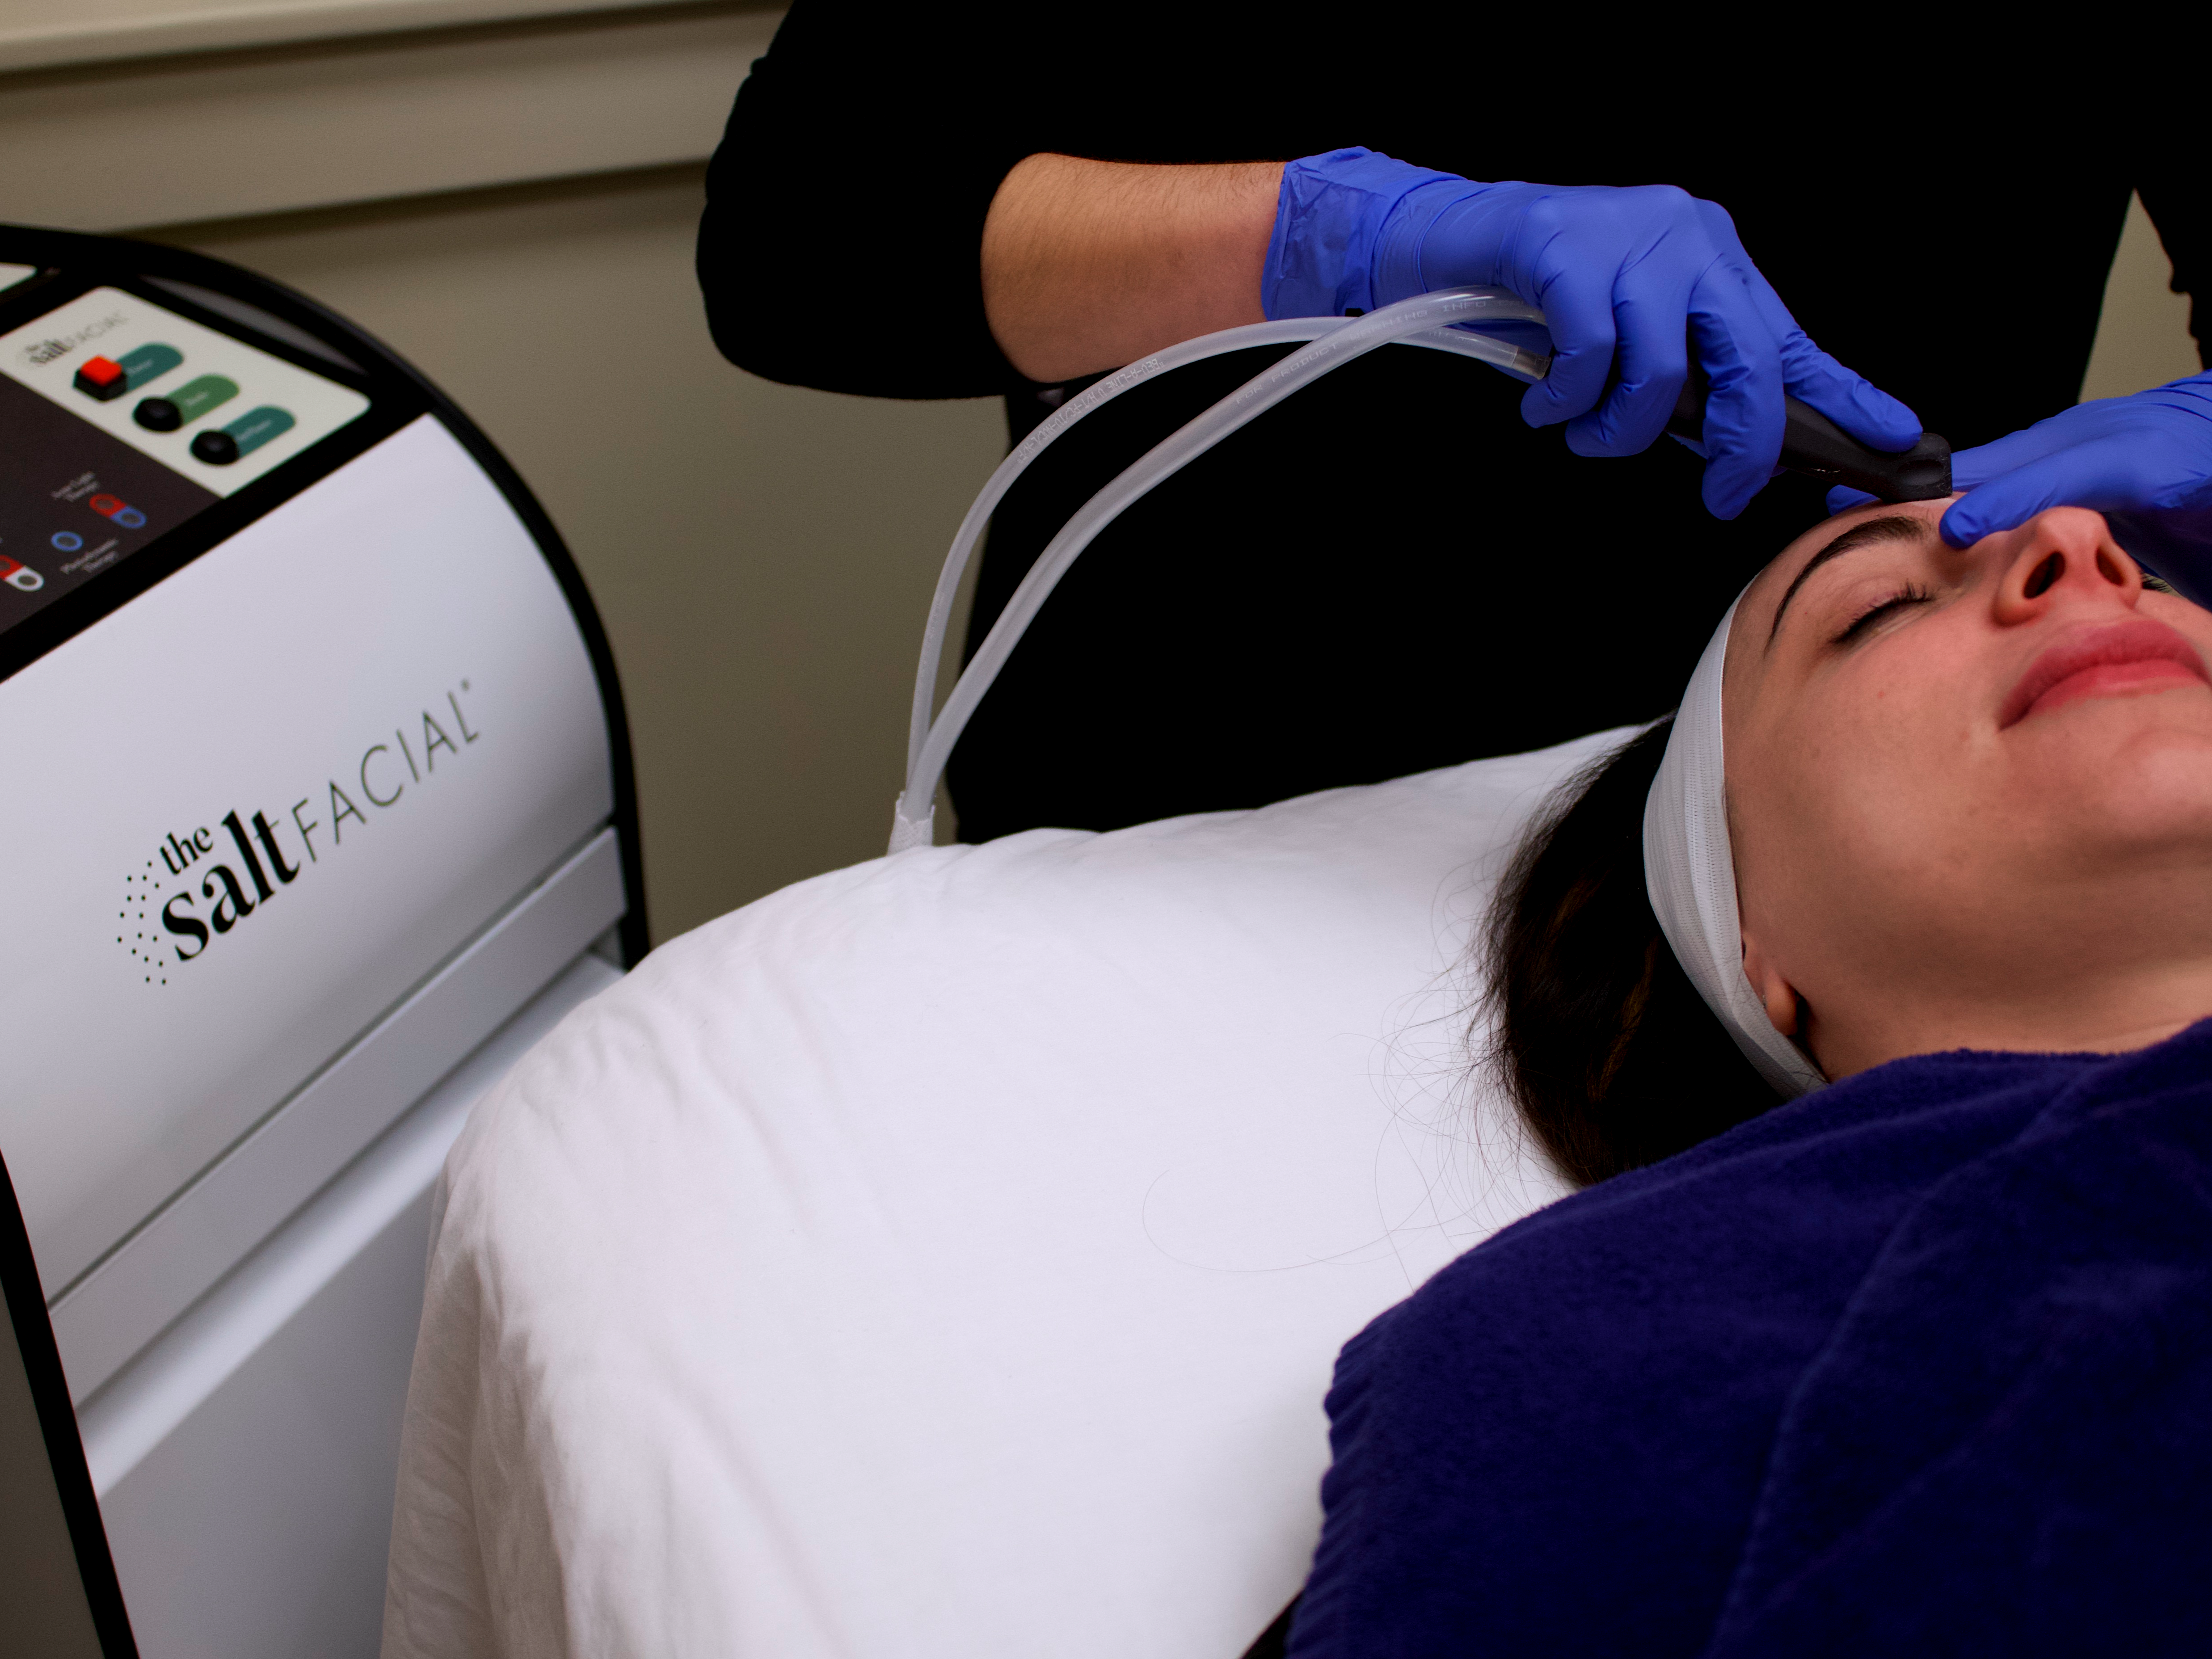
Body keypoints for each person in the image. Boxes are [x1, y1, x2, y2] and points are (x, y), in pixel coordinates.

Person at [699, 9, 2208, 840]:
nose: (2074, 554)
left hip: (1880, 807)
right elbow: (799, 236)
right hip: (1204, 798)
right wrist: (1325, 235)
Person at [1281, 498, 2212, 1655]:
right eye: (1878, 609)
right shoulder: (1574, 1347)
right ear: (1743, 939)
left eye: (2159, 575)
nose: (2078, 548)